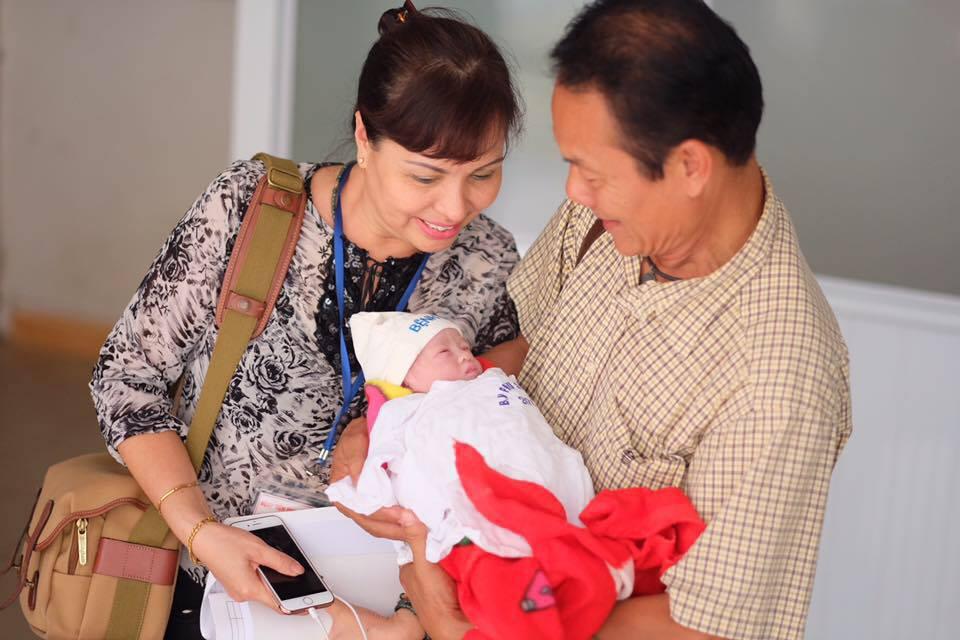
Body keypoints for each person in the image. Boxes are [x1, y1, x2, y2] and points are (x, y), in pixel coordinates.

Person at [335, 2, 852, 640]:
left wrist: (454, 623)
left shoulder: (779, 376)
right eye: (570, 165)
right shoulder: (607, 219)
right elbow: (526, 349)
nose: (574, 192)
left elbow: (707, 627)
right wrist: (394, 419)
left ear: (690, 166)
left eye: (593, 172)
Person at [89, 3, 523, 638]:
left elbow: (505, 368)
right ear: (365, 137)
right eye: (426, 176)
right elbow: (126, 379)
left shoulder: (486, 257)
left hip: (390, 599)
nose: (455, 208)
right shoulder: (251, 209)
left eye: (483, 173)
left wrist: (392, 417)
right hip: (220, 579)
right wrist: (199, 531)